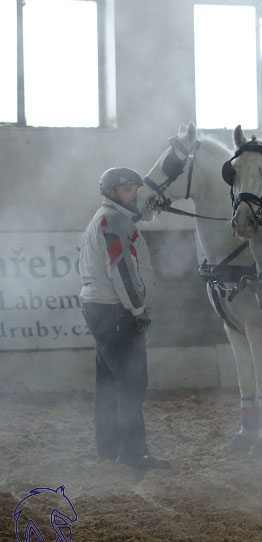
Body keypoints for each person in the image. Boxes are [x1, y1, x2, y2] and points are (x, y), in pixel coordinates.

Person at [79, 167, 169, 472]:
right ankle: (134, 454)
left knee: (109, 384)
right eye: (128, 190)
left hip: (101, 309)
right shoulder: (114, 220)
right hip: (117, 311)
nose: (134, 194)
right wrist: (138, 309)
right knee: (132, 384)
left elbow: (126, 221)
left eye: (135, 189)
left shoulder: (108, 216)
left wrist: (144, 212)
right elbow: (121, 269)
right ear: (112, 192)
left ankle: (110, 450)